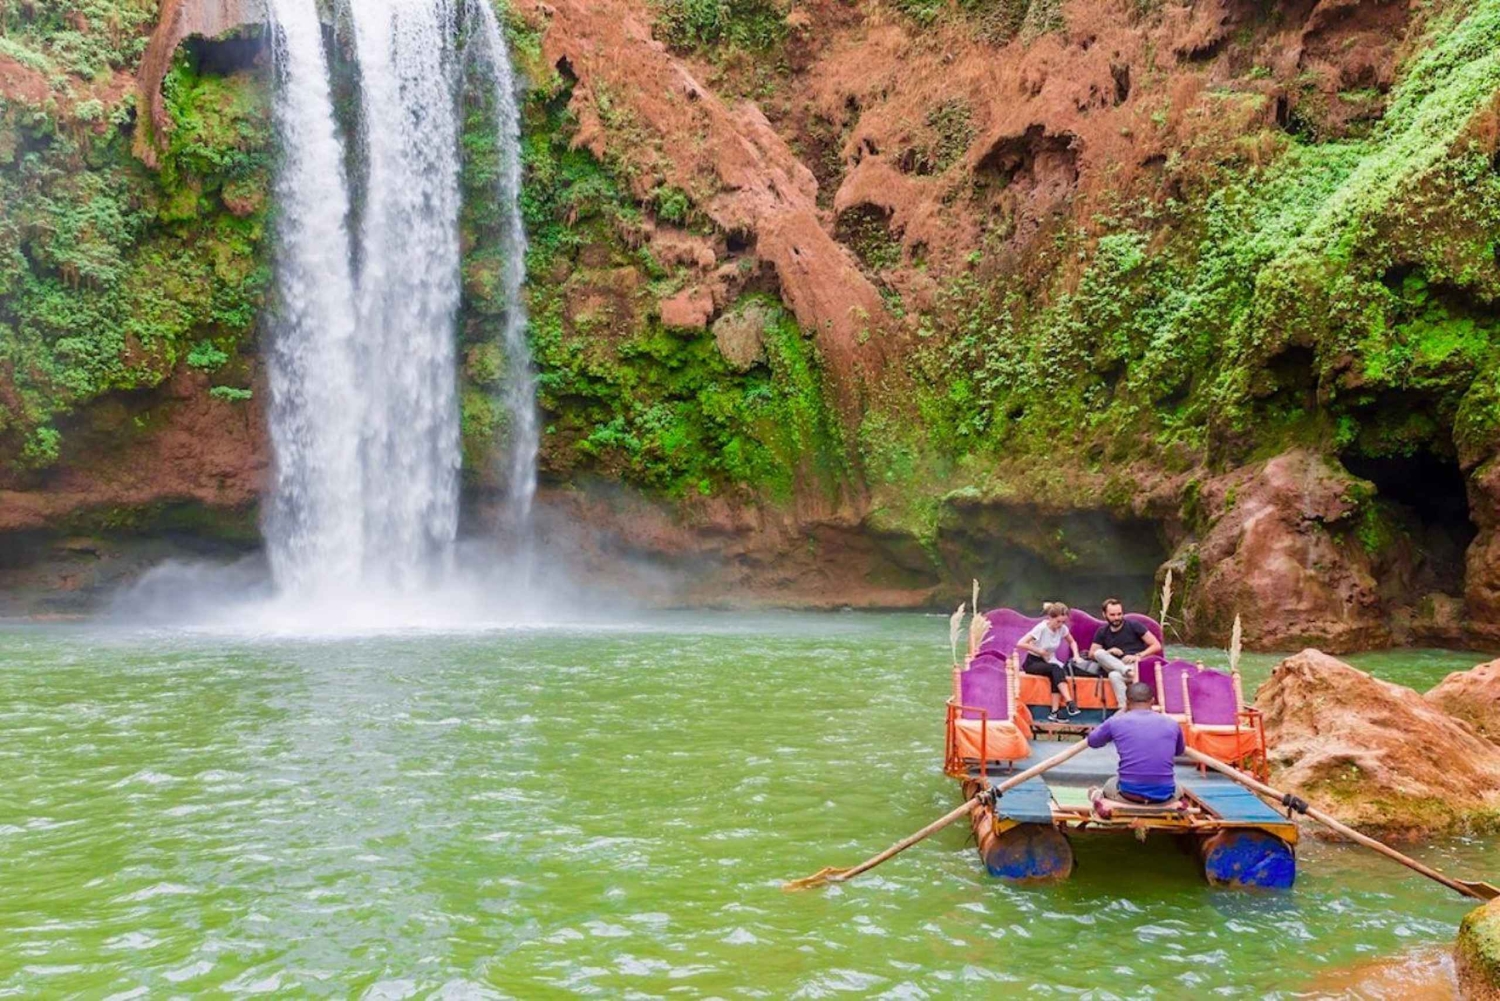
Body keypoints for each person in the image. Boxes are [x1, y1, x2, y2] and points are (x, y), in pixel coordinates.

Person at [1087, 682, 1184, 810]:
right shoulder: (1172, 724)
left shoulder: (1116, 721)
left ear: (1127, 703)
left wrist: (1118, 715)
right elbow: (1179, 751)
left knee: (1110, 783)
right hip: (1164, 795)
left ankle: (1106, 800)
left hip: (1129, 794)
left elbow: (1093, 741)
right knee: (1179, 788)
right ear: (1153, 701)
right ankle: (1167, 806)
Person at [1087, 597, 1163, 709]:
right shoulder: (1102, 631)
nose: (1117, 618)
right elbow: (1092, 654)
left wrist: (1138, 655)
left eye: (1119, 614)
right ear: (1104, 614)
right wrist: (1109, 651)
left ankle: (1124, 708)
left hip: (1133, 665)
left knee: (1114, 675)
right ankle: (1126, 672)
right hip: (1115, 665)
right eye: (1112, 615)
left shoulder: (1134, 625)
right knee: (1099, 653)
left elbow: (1156, 645)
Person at [1016, 601, 1080, 723]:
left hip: (1049, 660)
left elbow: (1072, 642)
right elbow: (1021, 643)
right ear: (1050, 618)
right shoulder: (1041, 628)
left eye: (1063, 622)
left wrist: (1076, 655)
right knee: (1055, 668)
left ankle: (1054, 712)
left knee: (1057, 673)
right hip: (1033, 661)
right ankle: (1069, 701)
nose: (1060, 625)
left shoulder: (1062, 629)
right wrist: (1039, 650)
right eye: (1058, 622)